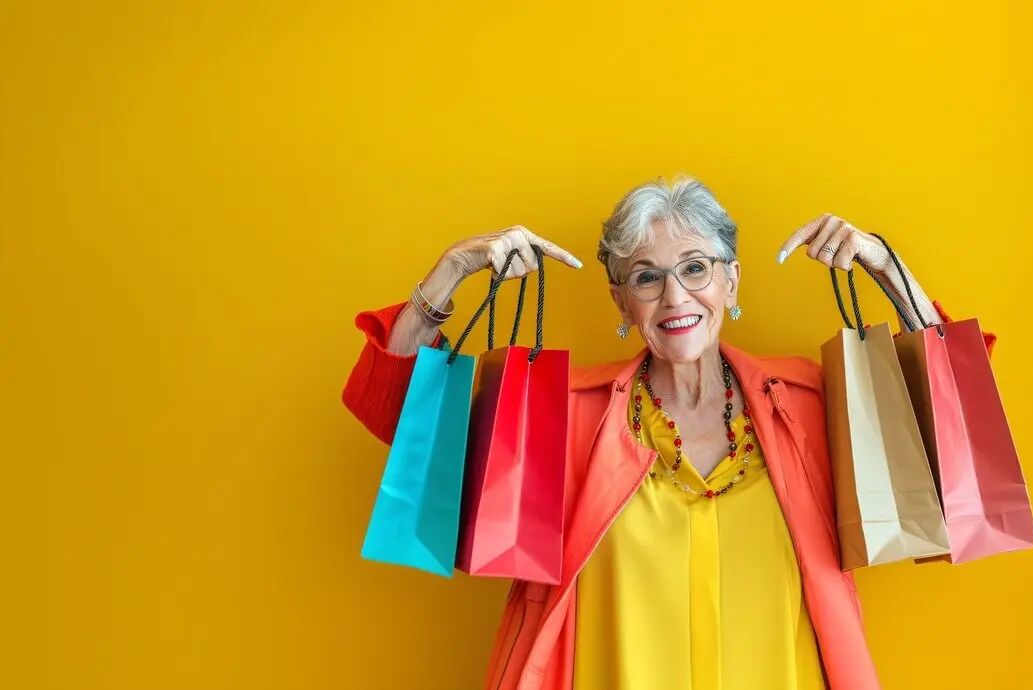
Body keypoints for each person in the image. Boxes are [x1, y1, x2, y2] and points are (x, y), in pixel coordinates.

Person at [341, 175, 993, 690]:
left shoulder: (809, 404)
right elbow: (404, 423)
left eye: (695, 267)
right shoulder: (566, 413)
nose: (675, 297)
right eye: (646, 277)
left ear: (731, 280)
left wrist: (889, 272)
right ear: (622, 302)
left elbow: (958, 432)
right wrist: (451, 271)